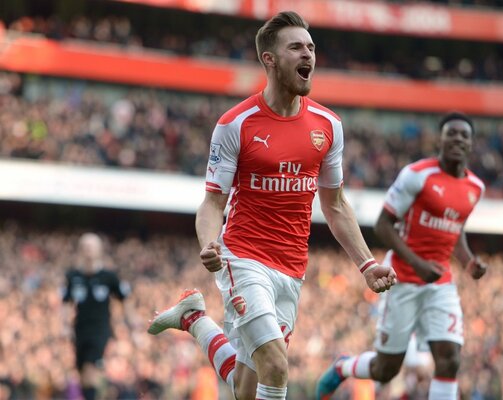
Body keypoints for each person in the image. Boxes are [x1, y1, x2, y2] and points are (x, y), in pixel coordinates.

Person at [147, 10, 396, 400]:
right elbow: (213, 202)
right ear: (270, 59)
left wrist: (366, 264)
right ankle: (196, 314)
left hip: (292, 269)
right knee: (277, 366)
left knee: (246, 389)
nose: (308, 55)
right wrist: (209, 243)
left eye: (311, 47)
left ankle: (194, 318)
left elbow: (336, 205)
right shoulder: (236, 124)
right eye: (296, 47)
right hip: (243, 258)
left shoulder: (328, 126)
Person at [316, 112, 488, 400]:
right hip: (402, 279)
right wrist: (418, 265)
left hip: (440, 283)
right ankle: (343, 367)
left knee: (450, 359)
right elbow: (383, 225)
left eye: (464, 135)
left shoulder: (475, 188)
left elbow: (455, 229)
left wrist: (469, 260)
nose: (458, 139)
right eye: (452, 133)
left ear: (471, 144)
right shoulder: (417, 175)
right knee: (386, 369)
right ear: (440, 140)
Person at [62, 232, 132, 400]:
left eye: (91, 247)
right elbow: (65, 302)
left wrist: (130, 322)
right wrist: (64, 325)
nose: (88, 251)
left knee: (90, 368)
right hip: (80, 329)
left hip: (100, 329)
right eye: (85, 247)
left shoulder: (108, 276)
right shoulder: (73, 276)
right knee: (82, 372)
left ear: (99, 250)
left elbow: (124, 299)